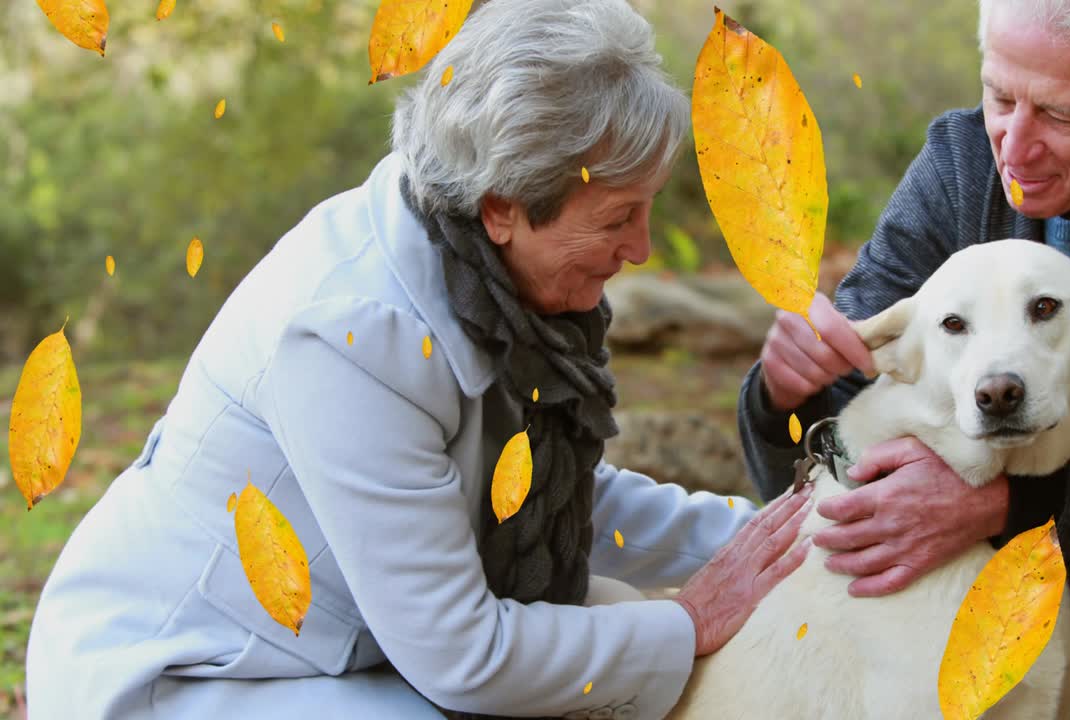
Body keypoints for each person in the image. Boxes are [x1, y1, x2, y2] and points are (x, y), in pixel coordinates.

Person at [24, 1, 815, 718]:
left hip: (343, 651)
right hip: (194, 674)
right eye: (617, 219)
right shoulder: (349, 340)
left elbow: (554, 498)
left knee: (612, 640)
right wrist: (688, 619)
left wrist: (779, 535)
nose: (640, 250)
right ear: (503, 208)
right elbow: (464, 656)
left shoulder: (490, 275)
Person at [737, 0, 1070, 718]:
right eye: (999, 96)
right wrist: (786, 394)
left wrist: (1007, 499)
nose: (1013, 150)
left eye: (1058, 115)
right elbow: (840, 435)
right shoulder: (962, 162)